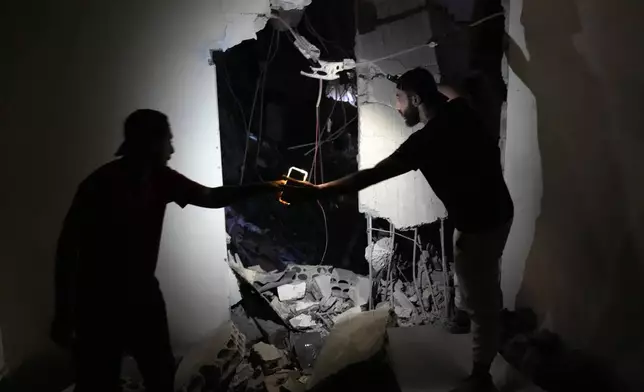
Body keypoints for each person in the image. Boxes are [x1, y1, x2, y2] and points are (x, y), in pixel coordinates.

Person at [288, 68, 514, 392]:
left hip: (482, 223)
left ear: (416, 99)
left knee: (484, 296)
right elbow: (453, 92)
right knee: (468, 265)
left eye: (399, 98)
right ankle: (465, 312)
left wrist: (317, 191)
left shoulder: (425, 142)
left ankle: (482, 375)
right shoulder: (461, 110)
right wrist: (427, 83)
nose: (396, 106)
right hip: (497, 211)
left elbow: (370, 176)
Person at [50, 109, 284, 392]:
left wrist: (269, 186)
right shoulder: (98, 186)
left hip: (140, 295)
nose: (172, 149)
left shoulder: (160, 179)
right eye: (167, 141)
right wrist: (64, 312)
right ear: (151, 144)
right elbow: (67, 251)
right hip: (99, 304)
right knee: (99, 381)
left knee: (159, 374)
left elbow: (210, 196)